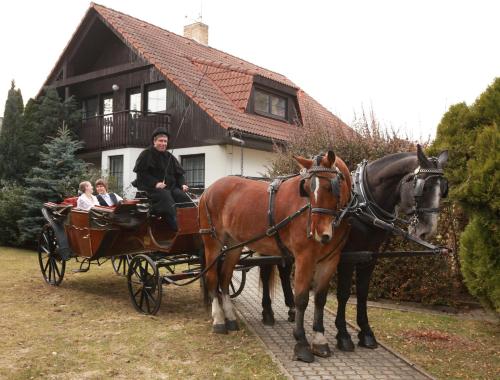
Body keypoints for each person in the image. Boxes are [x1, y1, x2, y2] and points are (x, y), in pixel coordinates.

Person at [133, 127, 191, 231]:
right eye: (160, 141)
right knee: (167, 199)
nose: (163, 143)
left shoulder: (169, 156)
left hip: (171, 187)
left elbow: (179, 174)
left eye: (165, 141)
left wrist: (183, 184)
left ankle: (192, 225)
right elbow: (142, 174)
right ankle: (177, 229)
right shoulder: (146, 154)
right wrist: (156, 183)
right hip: (152, 189)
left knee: (183, 197)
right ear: (154, 141)